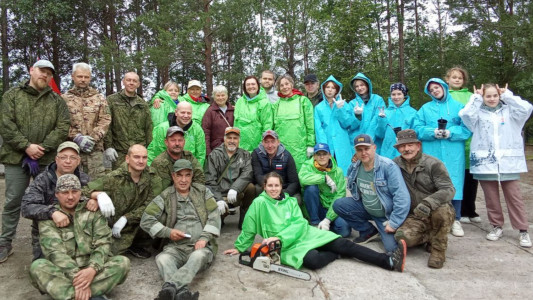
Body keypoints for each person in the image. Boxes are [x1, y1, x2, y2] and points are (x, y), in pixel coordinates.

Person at [224, 172, 406, 273]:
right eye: (269, 186)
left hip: (302, 235)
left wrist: (277, 237)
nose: (273, 189)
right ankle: (336, 254)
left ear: (281, 187)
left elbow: (300, 224)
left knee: (343, 243)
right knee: (313, 260)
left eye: (276, 185)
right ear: (264, 187)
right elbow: (248, 228)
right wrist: (240, 247)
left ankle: (387, 261)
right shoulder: (259, 203)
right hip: (285, 246)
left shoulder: (290, 201)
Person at [0, 59, 70, 263]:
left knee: (48, 200)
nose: (45, 75)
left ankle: (48, 242)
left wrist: (43, 147)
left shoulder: (57, 101)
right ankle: (5, 242)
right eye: (42, 71)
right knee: (13, 200)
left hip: (45, 159)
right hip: (16, 157)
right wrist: (26, 146)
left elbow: (62, 126)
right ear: (31, 70)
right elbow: (6, 124)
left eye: (49, 73)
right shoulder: (13, 95)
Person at [29, 174, 130, 300]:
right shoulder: (49, 217)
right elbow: (54, 253)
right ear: (57, 194)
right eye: (65, 192)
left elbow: (103, 242)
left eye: (75, 192)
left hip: (91, 269)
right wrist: (80, 280)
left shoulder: (93, 211)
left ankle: (68, 294)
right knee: (37, 267)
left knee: (122, 263)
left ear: (81, 192)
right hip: (64, 271)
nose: (70, 197)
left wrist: (92, 269)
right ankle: (93, 295)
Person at [459, 84, 533, 248]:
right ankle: (496, 226)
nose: (492, 99)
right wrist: (476, 98)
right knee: (491, 199)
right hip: (485, 163)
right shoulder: (478, 114)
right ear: (483, 97)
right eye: (488, 96)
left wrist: (508, 95)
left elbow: (526, 108)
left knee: (515, 198)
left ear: (499, 96)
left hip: (508, 163)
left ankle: (522, 230)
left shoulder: (510, 112)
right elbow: (465, 114)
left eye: (495, 95)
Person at [140, 159, 221, 300]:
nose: (183, 180)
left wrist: (204, 237)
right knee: (162, 259)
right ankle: (182, 293)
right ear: (173, 176)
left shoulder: (202, 191)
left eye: (187, 175)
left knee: (198, 257)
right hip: (175, 248)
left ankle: (170, 288)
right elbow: (146, 219)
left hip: (199, 247)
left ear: (192, 176)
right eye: (179, 175)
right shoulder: (166, 196)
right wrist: (168, 232)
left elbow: (215, 214)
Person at [333, 134, 410, 255]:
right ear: (355, 152)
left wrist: (394, 223)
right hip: (366, 208)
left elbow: (402, 197)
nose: (363, 153)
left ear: (374, 147)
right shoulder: (355, 166)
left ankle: (389, 231)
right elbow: (351, 184)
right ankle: (368, 231)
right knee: (339, 204)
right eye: (359, 150)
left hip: (385, 215)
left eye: (366, 149)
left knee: (392, 249)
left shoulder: (388, 167)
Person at [413, 78, 471, 237]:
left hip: (453, 153)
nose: (435, 91)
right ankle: (433, 217)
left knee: (454, 183)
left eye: (436, 88)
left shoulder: (459, 107)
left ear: (444, 87)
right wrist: (432, 132)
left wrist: (451, 132)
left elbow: (467, 128)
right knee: (431, 183)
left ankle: (456, 219)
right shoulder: (425, 108)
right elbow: (417, 128)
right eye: (431, 90)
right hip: (432, 152)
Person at [392, 130, 456, 268]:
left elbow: (449, 189)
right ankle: (429, 236)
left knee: (442, 210)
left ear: (418, 146)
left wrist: (428, 203)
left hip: (435, 210)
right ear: (398, 149)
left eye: (410, 145)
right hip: (414, 215)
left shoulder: (433, 164)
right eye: (402, 146)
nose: (406, 149)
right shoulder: (394, 165)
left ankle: (438, 251)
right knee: (402, 237)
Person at [83, 144, 161, 258]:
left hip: (138, 224)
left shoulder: (152, 176)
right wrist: (98, 195)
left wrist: (126, 218)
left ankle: (139, 244)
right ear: (127, 159)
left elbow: (152, 205)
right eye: (136, 157)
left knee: (159, 214)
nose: (141, 161)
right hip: (117, 227)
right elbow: (84, 190)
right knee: (102, 254)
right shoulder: (115, 178)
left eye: (144, 157)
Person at [21, 142, 93, 261]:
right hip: (50, 233)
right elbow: (26, 207)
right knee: (45, 269)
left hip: (78, 232)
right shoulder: (43, 179)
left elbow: (93, 195)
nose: (68, 161)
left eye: (73, 158)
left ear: (79, 161)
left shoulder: (84, 179)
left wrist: (95, 199)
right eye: (63, 157)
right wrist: (52, 212)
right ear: (56, 159)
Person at [63, 62, 111, 179]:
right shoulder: (64, 99)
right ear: (73, 76)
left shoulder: (99, 98)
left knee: (96, 185)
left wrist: (93, 138)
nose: (83, 80)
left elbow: (105, 119)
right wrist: (77, 137)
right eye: (80, 76)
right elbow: (61, 123)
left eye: (86, 77)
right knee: (73, 185)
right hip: (73, 150)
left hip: (95, 151)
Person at [445, 67, 480, 224]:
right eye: (454, 77)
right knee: (457, 178)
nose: (457, 80)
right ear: (448, 79)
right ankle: (459, 211)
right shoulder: (445, 96)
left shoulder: (471, 96)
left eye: (460, 77)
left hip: (471, 143)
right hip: (454, 143)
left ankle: (470, 210)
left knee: (471, 179)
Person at [205, 127, 254, 228]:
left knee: (251, 188)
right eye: (229, 138)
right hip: (220, 194)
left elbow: (247, 173)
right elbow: (209, 180)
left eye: (235, 138)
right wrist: (219, 199)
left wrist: (235, 188)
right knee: (217, 226)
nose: (232, 141)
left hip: (236, 193)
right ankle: (221, 216)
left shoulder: (245, 155)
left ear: (239, 140)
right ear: (224, 139)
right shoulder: (214, 155)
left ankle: (244, 220)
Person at [299, 143, 350, 238]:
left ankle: (325, 224)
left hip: (332, 208)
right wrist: (324, 178)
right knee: (310, 188)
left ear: (330, 155)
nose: (322, 157)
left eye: (324, 154)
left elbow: (340, 195)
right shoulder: (308, 166)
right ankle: (315, 223)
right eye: (318, 154)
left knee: (345, 231)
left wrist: (328, 219)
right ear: (314, 156)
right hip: (317, 208)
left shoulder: (338, 172)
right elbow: (302, 179)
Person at [104, 72, 152, 170]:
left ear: (138, 84)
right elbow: (107, 124)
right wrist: (108, 146)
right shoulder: (112, 100)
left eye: (134, 81)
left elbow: (148, 127)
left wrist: (148, 149)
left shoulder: (143, 104)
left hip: (138, 152)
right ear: (123, 82)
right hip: (119, 151)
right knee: (119, 181)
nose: (131, 83)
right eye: (128, 80)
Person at [314, 75, 355, 175]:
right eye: (328, 87)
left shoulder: (344, 104)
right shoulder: (319, 108)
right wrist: (323, 147)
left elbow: (348, 124)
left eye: (333, 88)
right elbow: (318, 129)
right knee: (329, 170)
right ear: (324, 89)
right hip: (328, 143)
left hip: (342, 143)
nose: (330, 90)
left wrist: (341, 109)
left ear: (337, 90)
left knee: (345, 172)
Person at [272, 74, 315, 171]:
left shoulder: (303, 101)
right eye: (281, 85)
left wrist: (310, 145)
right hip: (281, 149)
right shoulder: (276, 105)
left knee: (300, 176)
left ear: (292, 84)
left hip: (300, 149)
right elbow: (273, 127)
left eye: (287, 84)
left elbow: (310, 124)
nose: (284, 87)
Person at [147, 101, 206, 166]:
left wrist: (194, 172)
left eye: (189, 113)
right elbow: (154, 152)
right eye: (183, 112)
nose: (186, 116)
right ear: (176, 112)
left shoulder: (197, 129)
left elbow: (200, 155)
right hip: (165, 168)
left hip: (188, 170)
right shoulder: (162, 129)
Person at [251, 130, 300, 201]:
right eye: (266, 142)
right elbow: (258, 175)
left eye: (273, 141)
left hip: (283, 188)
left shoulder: (287, 156)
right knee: (256, 188)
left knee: (297, 199)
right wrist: (271, 190)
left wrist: (283, 193)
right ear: (262, 143)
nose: (270, 145)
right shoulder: (256, 154)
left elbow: (294, 181)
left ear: (278, 142)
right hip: (266, 187)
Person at [151, 126, 205, 191]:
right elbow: (162, 190)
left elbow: (199, 178)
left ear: (184, 142)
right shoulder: (159, 163)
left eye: (180, 140)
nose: (177, 144)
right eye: (173, 140)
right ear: (166, 142)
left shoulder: (189, 156)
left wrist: (193, 194)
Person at [343, 72, 386, 152]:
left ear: (367, 85)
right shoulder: (352, 103)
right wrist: (357, 116)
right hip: (356, 142)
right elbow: (350, 125)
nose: (360, 88)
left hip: (374, 142)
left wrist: (367, 140)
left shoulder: (378, 100)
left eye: (362, 85)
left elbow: (376, 121)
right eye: (357, 86)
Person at [375, 83, 417, 159]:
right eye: (393, 94)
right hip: (387, 152)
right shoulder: (385, 112)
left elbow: (416, 134)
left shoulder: (413, 113)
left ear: (404, 95)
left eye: (399, 94)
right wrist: (381, 120)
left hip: (406, 152)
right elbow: (379, 135)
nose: (396, 97)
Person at [234, 75, 273, 152]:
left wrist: (262, 146)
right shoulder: (240, 101)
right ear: (245, 87)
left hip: (257, 148)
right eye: (248, 85)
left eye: (253, 84)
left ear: (258, 85)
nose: (250, 86)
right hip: (240, 146)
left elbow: (267, 126)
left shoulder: (264, 103)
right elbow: (236, 123)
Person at [202, 85, 235, 155]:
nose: (221, 98)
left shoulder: (233, 110)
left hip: (232, 147)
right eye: (218, 95)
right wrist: (208, 152)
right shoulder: (209, 111)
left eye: (223, 95)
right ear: (214, 97)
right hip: (216, 149)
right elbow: (206, 132)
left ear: (227, 96)